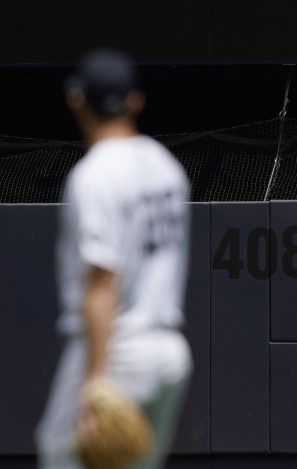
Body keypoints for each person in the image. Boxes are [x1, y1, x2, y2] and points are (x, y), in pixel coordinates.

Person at [36, 49, 192, 469]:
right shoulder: (166, 166)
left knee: (58, 452)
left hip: (118, 351)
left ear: (76, 99)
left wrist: (96, 385)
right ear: (135, 101)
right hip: (169, 354)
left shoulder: (94, 174)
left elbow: (103, 282)